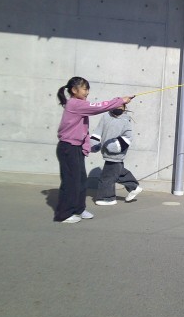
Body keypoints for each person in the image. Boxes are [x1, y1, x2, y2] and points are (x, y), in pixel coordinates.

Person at [55, 77, 133, 223]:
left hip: (75, 148)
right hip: (68, 148)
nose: (87, 92)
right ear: (74, 90)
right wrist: (120, 100)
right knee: (70, 182)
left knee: (80, 181)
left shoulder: (78, 104)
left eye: (88, 89)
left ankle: (78, 209)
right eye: (85, 89)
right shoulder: (75, 104)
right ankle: (64, 214)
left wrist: (85, 146)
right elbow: (99, 107)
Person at [90, 104, 142, 205]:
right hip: (106, 152)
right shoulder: (105, 117)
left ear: (125, 108)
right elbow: (98, 131)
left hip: (117, 153)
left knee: (107, 177)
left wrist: (113, 146)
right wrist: (93, 144)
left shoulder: (126, 120)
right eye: (116, 105)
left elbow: (128, 137)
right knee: (118, 173)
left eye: (121, 106)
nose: (119, 108)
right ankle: (134, 187)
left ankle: (107, 198)